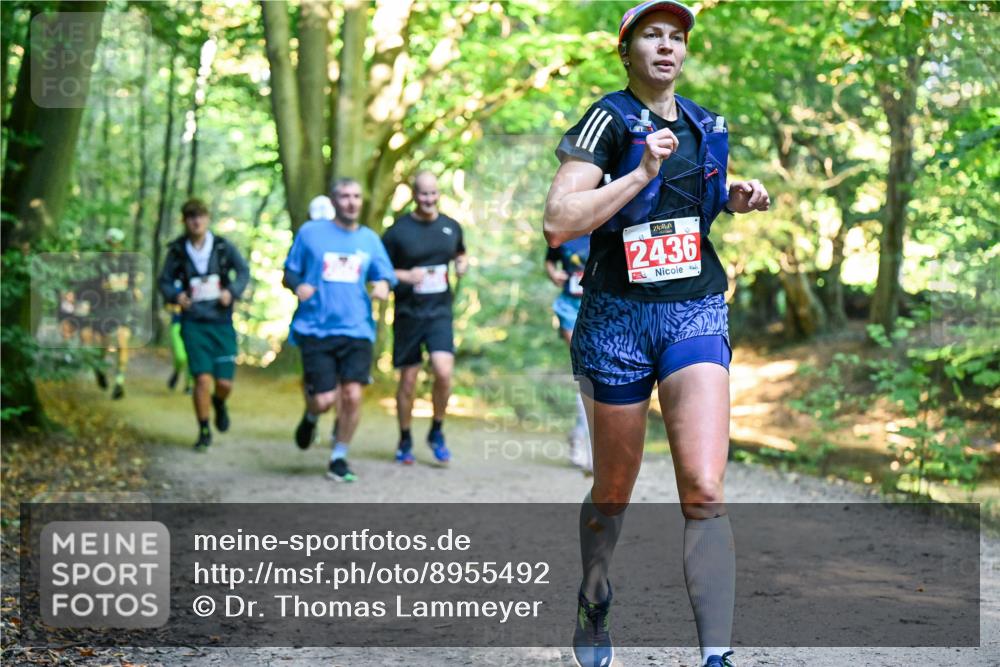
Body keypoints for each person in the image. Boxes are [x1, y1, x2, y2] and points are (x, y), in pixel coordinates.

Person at [542, 3, 770, 666]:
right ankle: (594, 592)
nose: (666, 46)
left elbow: (696, 190)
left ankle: (717, 655)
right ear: (628, 49)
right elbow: (560, 218)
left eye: (676, 36)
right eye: (652, 35)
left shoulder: (705, 123)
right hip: (616, 315)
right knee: (612, 491)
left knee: (703, 486)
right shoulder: (607, 118)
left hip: (694, 308)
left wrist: (734, 195)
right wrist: (638, 172)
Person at [284, 178, 397, 482]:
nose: (351, 202)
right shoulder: (311, 234)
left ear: (362, 201)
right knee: (324, 400)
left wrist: (383, 285)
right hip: (316, 328)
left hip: (357, 328)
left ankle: (339, 457)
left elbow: (385, 275)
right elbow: (290, 272)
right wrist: (299, 285)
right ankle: (311, 415)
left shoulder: (370, 240)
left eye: (356, 196)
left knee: (352, 396)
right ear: (333, 201)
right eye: (344, 196)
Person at [381, 171, 468, 465]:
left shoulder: (451, 226)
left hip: (439, 312)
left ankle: (436, 431)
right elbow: (380, 272)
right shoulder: (397, 232)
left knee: (444, 372)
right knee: (408, 380)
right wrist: (405, 275)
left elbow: (460, 253)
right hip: (408, 313)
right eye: (423, 194)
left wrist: (461, 264)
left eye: (433, 194)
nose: (429, 200)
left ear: (438, 194)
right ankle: (405, 438)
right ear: (414, 195)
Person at [158, 198, 250, 451]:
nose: (196, 221)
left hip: (221, 321)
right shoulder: (177, 250)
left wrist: (231, 291)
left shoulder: (222, 247)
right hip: (193, 322)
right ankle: (204, 429)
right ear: (184, 221)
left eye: (199, 216)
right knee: (201, 380)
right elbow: (164, 281)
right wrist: (176, 296)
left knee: (224, 383)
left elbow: (243, 272)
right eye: (190, 217)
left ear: (207, 218)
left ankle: (219, 403)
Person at [545, 235, 593, 472]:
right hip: (570, 308)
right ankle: (585, 443)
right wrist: (554, 274)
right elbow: (550, 260)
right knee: (585, 369)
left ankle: (579, 435)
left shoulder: (613, 224)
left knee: (594, 376)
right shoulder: (567, 233)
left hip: (601, 307)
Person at [89, 228, 143, 399]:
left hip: (123, 307)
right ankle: (100, 368)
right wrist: (100, 288)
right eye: (111, 242)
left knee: (122, 340)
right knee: (104, 344)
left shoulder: (128, 261)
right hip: (105, 308)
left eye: (117, 242)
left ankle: (119, 382)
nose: (114, 246)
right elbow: (91, 285)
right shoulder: (99, 262)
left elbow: (134, 280)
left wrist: (135, 289)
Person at [166, 305, 192, 393]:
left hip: (194, 325)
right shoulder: (175, 291)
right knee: (181, 356)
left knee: (192, 356)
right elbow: (167, 305)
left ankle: (189, 385)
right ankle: (176, 372)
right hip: (177, 324)